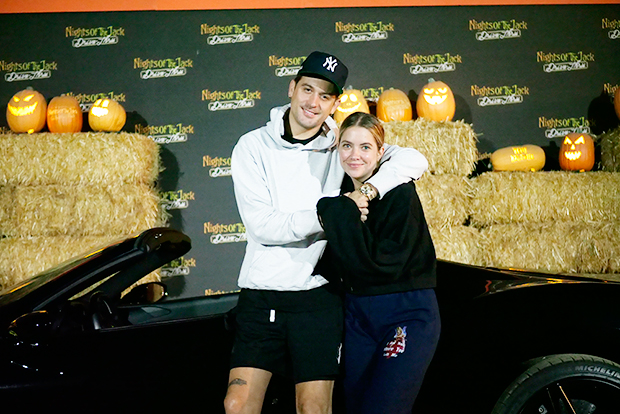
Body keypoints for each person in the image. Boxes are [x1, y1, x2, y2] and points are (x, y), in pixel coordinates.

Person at [225, 51, 428, 414]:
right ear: (292, 88)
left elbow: (413, 159)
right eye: (307, 89)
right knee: (237, 403)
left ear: (335, 104)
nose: (313, 102)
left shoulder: (341, 144)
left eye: (325, 96)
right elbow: (263, 226)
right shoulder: (252, 145)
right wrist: (331, 214)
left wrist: (368, 191)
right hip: (261, 294)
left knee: (314, 408)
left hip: (318, 296)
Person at [316, 112, 440, 414]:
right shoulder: (338, 194)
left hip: (406, 313)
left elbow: (377, 265)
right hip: (358, 317)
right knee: (355, 407)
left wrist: (338, 213)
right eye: (347, 146)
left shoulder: (400, 192)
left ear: (381, 152)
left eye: (365, 147)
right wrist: (342, 207)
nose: (354, 155)